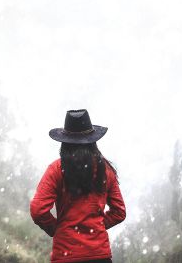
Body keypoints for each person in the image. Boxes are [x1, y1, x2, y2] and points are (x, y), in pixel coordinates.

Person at [30, 109, 126, 263]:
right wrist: (97, 226)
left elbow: (37, 209)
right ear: (93, 141)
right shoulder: (106, 170)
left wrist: (57, 229)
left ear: (65, 142)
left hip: (66, 255)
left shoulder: (56, 169)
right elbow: (119, 212)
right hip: (99, 255)